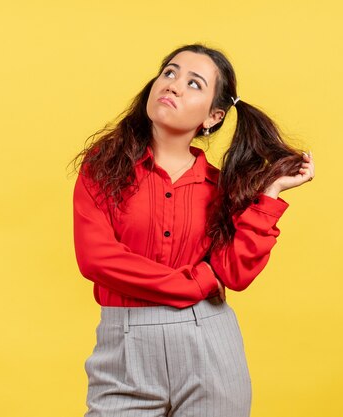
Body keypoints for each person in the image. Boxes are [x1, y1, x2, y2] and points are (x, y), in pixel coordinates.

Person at [71, 43, 315, 417]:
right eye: (169, 72)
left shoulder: (221, 189)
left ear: (213, 117)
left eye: (194, 83)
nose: (173, 85)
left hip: (209, 345)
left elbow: (234, 272)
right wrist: (194, 283)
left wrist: (269, 195)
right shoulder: (105, 167)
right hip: (124, 350)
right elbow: (97, 259)